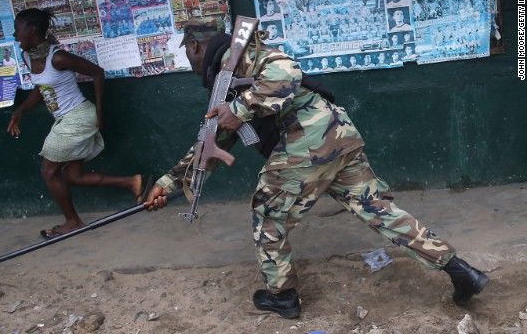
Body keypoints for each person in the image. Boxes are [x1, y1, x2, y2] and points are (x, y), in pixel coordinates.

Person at [144, 17, 489, 319]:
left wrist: (242, 107)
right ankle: (460, 271)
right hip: (336, 138)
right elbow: (213, 142)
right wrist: (168, 184)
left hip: (306, 143)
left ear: (194, 46)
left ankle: (281, 297)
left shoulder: (243, 57)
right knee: (378, 210)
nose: (186, 59)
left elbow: (287, 71)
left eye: (186, 50)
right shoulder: (223, 80)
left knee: (268, 216)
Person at [8, 8, 153, 239]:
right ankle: (133, 183)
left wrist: (99, 111)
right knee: (73, 176)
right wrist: (21, 111)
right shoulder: (28, 57)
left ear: (32, 30)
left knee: (48, 170)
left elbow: (97, 72)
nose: (15, 35)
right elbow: (41, 88)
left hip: (78, 117)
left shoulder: (58, 57)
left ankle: (73, 222)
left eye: (17, 30)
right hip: (64, 120)